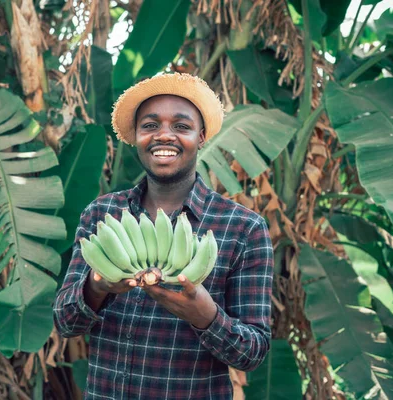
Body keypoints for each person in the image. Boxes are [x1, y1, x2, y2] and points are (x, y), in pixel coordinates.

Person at [53, 73, 273, 399]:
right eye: (150, 125)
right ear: (136, 137)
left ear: (201, 137)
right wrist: (97, 287)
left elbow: (253, 352)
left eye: (181, 126)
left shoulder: (242, 228)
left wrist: (205, 316)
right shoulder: (102, 216)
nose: (164, 136)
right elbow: (65, 323)